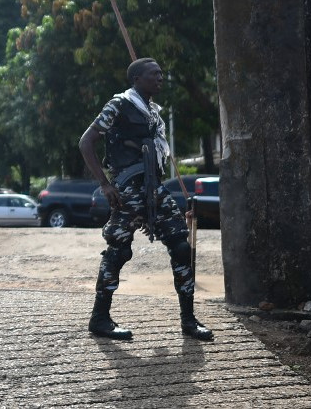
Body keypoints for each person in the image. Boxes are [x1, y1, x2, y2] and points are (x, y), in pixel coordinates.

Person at [79, 57, 213, 341]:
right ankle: (100, 319)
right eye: (154, 74)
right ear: (137, 78)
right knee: (118, 251)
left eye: (161, 73)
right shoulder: (119, 104)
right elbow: (86, 142)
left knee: (181, 245)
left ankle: (188, 321)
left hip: (155, 188)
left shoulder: (153, 112)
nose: (160, 78)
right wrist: (105, 184)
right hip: (128, 189)